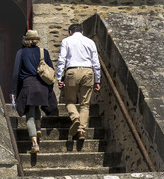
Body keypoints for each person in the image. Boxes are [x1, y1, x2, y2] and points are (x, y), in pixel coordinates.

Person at [12, 30, 58, 162]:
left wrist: (13, 91)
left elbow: (16, 73)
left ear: (25, 39)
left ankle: (34, 144)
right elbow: (50, 70)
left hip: (29, 85)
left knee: (29, 115)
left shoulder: (21, 53)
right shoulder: (44, 52)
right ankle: (38, 129)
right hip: (42, 86)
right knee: (36, 108)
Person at [56, 20, 100, 150]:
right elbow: (96, 63)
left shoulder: (66, 41)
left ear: (70, 32)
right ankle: (81, 130)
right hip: (88, 72)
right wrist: (97, 80)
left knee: (69, 100)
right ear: (82, 32)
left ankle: (75, 118)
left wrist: (59, 77)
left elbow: (61, 59)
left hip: (71, 73)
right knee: (85, 104)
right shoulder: (90, 42)